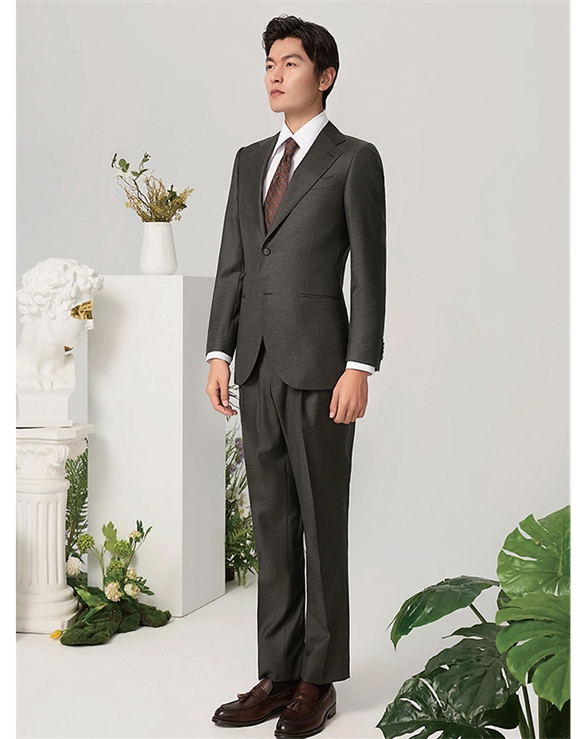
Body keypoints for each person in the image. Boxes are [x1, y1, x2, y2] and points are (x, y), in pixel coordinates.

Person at [205, 14, 386, 738]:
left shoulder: (353, 159)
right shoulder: (249, 159)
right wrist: (218, 352)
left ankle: (319, 678)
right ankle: (277, 673)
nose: (275, 75)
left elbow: (369, 271)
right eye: (269, 64)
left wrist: (360, 363)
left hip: (320, 367)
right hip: (253, 365)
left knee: (321, 524)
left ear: (325, 75)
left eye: (290, 63)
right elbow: (233, 263)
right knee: (272, 524)